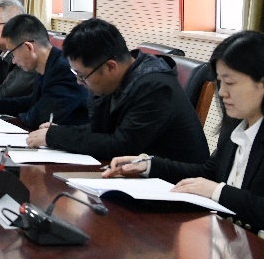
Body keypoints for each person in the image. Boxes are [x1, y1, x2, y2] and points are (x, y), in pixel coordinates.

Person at [104, 31, 264, 250]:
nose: (222, 92)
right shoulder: (238, 124)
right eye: (219, 82)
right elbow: (210, 173)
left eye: (230, 82)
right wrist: (149, 165)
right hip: (236, 246)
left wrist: (219, 192)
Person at [33, 18, 208, 164]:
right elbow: (100, 129)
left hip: (174, 185)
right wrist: (62, 131)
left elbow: (121, 145)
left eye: (82, 76)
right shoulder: (120, 78)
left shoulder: (155, 87)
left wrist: (56, 137)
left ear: (111, 67)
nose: (79, 82)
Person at [0, 14, 89, 128]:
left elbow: (38, 117)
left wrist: (9, 119)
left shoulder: (64, 71)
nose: (13, 61)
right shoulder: (49, 63)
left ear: (28, 47)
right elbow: (33, 101)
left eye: (13, 53)